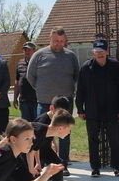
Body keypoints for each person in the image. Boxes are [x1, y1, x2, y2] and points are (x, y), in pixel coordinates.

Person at [1, 109, 76, 181]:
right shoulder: (39, 130)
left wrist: (33, 167)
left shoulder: (44, 134)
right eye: (69, 129)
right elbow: (6, 139)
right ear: (60, 128)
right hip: (9, 154)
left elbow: (32, 150)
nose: (69, 132)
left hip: (17, 156)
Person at [26, 27, 79, 170]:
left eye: (62, 41)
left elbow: (76, 76)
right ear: (50, 39)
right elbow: (30, 77)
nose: (59, 44)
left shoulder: (71, 56)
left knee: (64, 132)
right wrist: (42, 89)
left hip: (65, 103)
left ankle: (63, 161)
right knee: (43, 134)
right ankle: (41, 163)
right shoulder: (38, 55)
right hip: (45, 102)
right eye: (56, 41)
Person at [76, 38, 119, 177]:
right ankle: (95, 168)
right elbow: (80, 90)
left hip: (111, 110)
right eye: (97, 51)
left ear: (107, 52)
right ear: (93, 52)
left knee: (114, 139)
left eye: (102, 51)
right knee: (93, 139)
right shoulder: (86, 68)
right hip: (92, 110)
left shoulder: (115, 66)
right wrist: (80, 109)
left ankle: (116, 167)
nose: (100, 54)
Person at [13, 42, 38, 122]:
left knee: (37, 124)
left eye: (29, 50)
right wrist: (15, 98)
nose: (27, 52)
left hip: (37, 100)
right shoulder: (20, 63)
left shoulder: (39, 63)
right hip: (24, 100)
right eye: (25, 50)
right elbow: (17, 81)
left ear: (34, 51)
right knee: (26, 125)